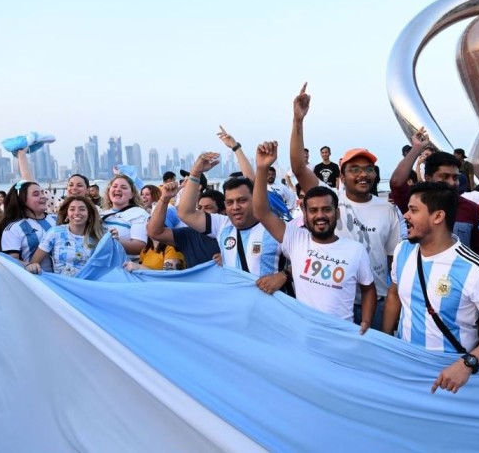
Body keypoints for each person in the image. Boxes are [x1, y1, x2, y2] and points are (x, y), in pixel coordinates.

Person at [383, 181, 479, 394]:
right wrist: (386, 341)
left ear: (438, 217)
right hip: (405, 367)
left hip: (449, 377)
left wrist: (467, 365)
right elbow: (394, 295)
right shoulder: (402, 250)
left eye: (413, 210)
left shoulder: (476, 270)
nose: (405, 215)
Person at [288, 83, 400, 330]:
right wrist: (298, 120)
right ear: (342, 174)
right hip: (337, 302)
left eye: (369, 169)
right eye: (355, 169)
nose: (363, 175)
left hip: (378, 301)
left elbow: (393, 264)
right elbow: (298, 167)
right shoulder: (330, 199)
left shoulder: (388, 210)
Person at [253, 140, 376, 333]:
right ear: (305, 213)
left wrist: (366, 322)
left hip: (342, 335)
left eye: (326, 209)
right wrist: (262, 169)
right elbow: (261, 212)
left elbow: (368, 289)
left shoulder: (355, 250)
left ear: (337, 213)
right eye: (314, 210)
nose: (320, 215)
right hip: (303, 334)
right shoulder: (295, 238)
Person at [178, 152, 285, 286]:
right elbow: (185, 213)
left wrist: (283, 276)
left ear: (255, 200)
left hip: (268, 305)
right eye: (229, 202)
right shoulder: (222, 224)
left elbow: (306, 255)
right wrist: (195, 172)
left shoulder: (275, 228)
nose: (235, 207)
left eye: (242, 200)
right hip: (234, 304)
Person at [390, 132, 479, 258]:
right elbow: (397, 183)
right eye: (445, 177)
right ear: (428, 178)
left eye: (455, 177)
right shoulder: (415, 204)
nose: (452, 183)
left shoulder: (472, 208)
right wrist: (417, 148)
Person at [25, 196, 107, 277]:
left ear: (89, 214)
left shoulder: (99, 236)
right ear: (67, 214)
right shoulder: (55, 232)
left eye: (82, 209)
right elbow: (34, 262)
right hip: (61, 286)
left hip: (88, 286)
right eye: (72, 209)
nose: (77, 212)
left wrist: (115, 237)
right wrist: (33, 266)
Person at [147, 184, 222, 268]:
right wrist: (164, 199)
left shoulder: (233, 234)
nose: (202, 211)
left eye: (208, 208)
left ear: (222, 213)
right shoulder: (189, 234)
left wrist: (229, 257)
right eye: (199, 207)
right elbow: (155, 232)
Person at [0, 180, 57, 272]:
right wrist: (28, 265)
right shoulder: (13, 228)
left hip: (62, 280)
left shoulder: (56, 219)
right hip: (36, 281)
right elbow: (11, 261)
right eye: (36, 194)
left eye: (42, 193)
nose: (43, 196)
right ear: (22, 200)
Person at [99, 174, 149, 260]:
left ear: (131, 194)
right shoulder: (101, 214)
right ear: (109, 191)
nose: (118, 189)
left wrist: (116, 241)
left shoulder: (138, 213)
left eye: (124, 187)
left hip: (126, 266)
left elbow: (140, 247)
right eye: (114, 186)